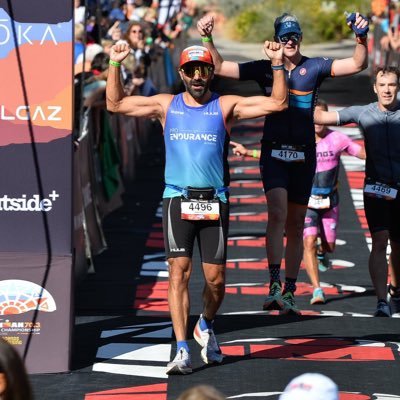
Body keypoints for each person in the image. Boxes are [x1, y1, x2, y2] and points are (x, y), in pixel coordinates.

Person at [106, 43, 287, 374]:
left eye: (204, 69)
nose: (198, 76)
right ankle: (181, 348)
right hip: (177, 197)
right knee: (178, 272)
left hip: (214, 200)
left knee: (216, 280)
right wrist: (115, 63)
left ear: (211, 72)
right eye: (191, 70)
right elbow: (115, 104)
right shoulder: (166, 105)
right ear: (181, 74)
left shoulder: (225, 105)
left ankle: (206, 322)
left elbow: (278, 103)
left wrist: (277, 65)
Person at [197, 11, 369, 315]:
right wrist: (207, 37)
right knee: (276, 214)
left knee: (295, 223)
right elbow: (220, 66)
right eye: (284, 36)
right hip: (274, 151)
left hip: (304, 154)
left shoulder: (314, 67)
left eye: (294, 36)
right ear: (276, 40)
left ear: (300, 38)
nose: (289, 41)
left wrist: (360, 37)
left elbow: (357, 63)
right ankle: (274, 283)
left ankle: (290, 289)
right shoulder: (264, 69)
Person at [231, 99, 367, 306]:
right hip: (307, 199)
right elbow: (277, 155)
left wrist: (382, 154)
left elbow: (361, 153)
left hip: (330, 200)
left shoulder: (338, 138)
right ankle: (317, 289)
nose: (318, 122)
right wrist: (249, 152)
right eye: (314, 118)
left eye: (321, 117)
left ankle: (323, 253)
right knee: (308, 241)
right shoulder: (301, 138)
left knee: (328, 245)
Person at [314, 66, 400, 317]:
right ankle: (382, 301)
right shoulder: (363, 113)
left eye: (392, 85)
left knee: (397, 244)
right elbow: (321, 118)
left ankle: (396, 288)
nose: (387, 90)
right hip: (375, 187)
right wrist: (296, 95)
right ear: (374, 88)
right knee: (380, 240)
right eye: (382, 85)